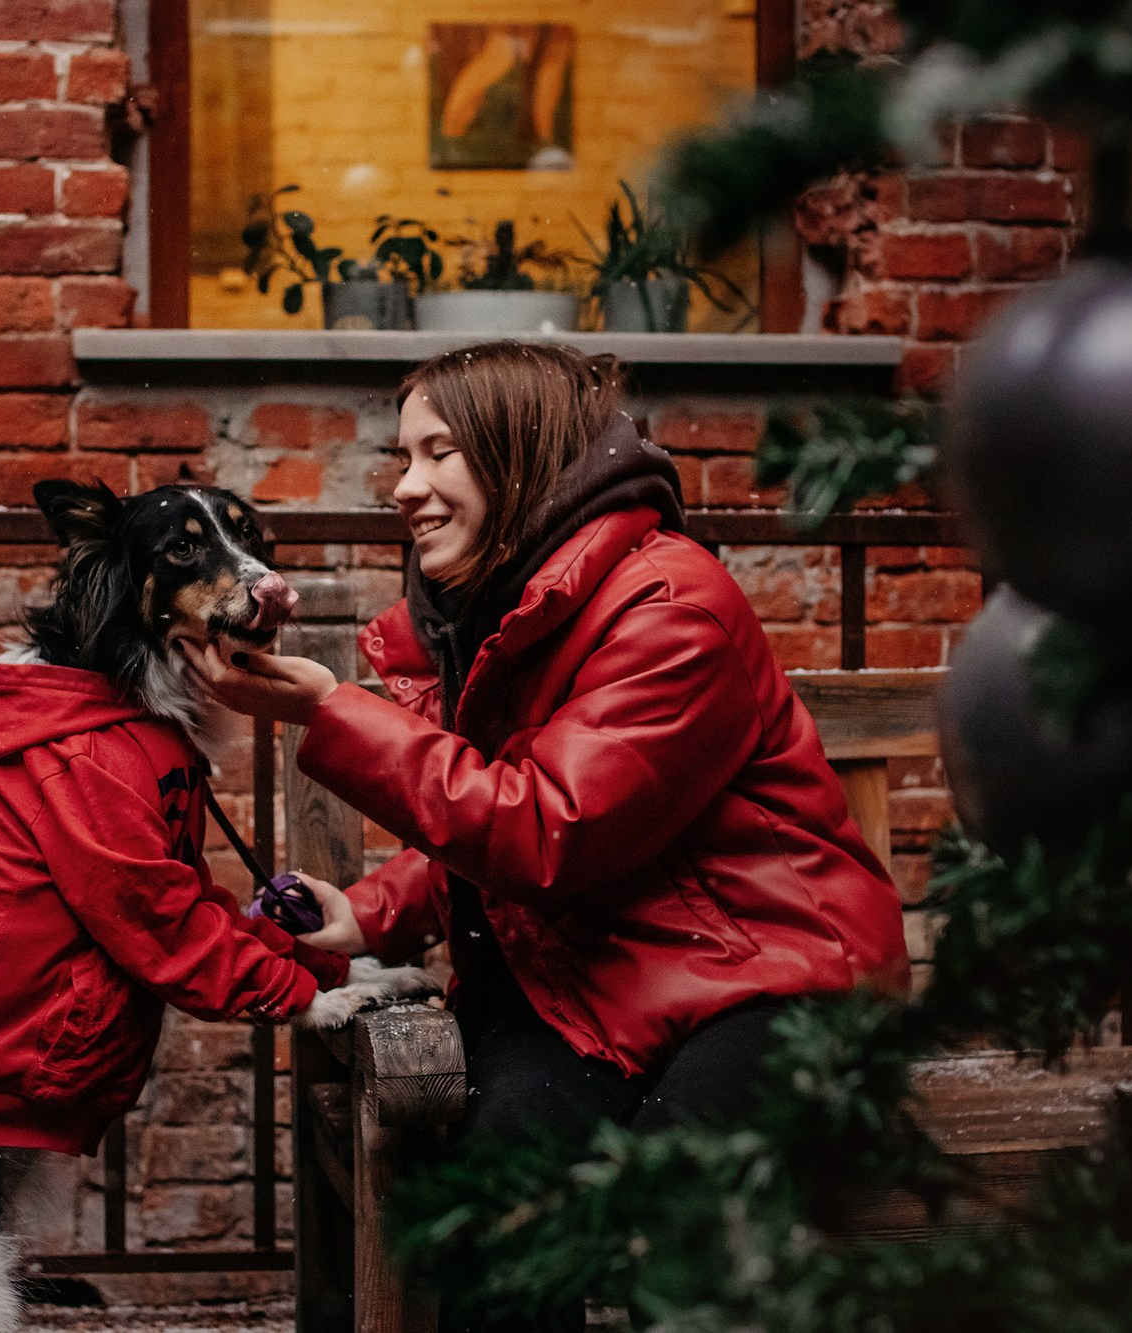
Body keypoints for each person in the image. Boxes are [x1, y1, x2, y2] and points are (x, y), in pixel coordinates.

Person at [185, 341, 908, 1328]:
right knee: (496, 1215)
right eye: (403, 457)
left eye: (438, 454)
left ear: (517, 453)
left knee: (686, 1217)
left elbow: (546, 827)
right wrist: (372, 911)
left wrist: (331, 713)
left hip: (765, 976)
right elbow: (498, 812)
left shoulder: (669, 604)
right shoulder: (489, 608)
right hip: (587, 974)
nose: (405, 487)